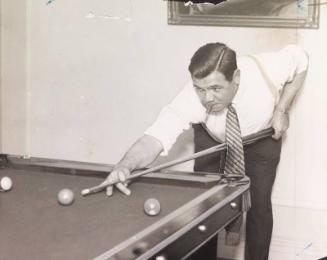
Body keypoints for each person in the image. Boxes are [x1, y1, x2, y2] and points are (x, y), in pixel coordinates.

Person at [102, 42, 308, 260]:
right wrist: (124, 165)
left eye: (216, 89)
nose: (207, 98)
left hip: (261, 139)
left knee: (259, 206)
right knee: (205, 207)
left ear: (236, 77)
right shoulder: (190, 98)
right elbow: (155, 137)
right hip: (212, 139)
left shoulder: (268, 68)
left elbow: (301, 59)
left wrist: (282, 109)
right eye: (200, 89)